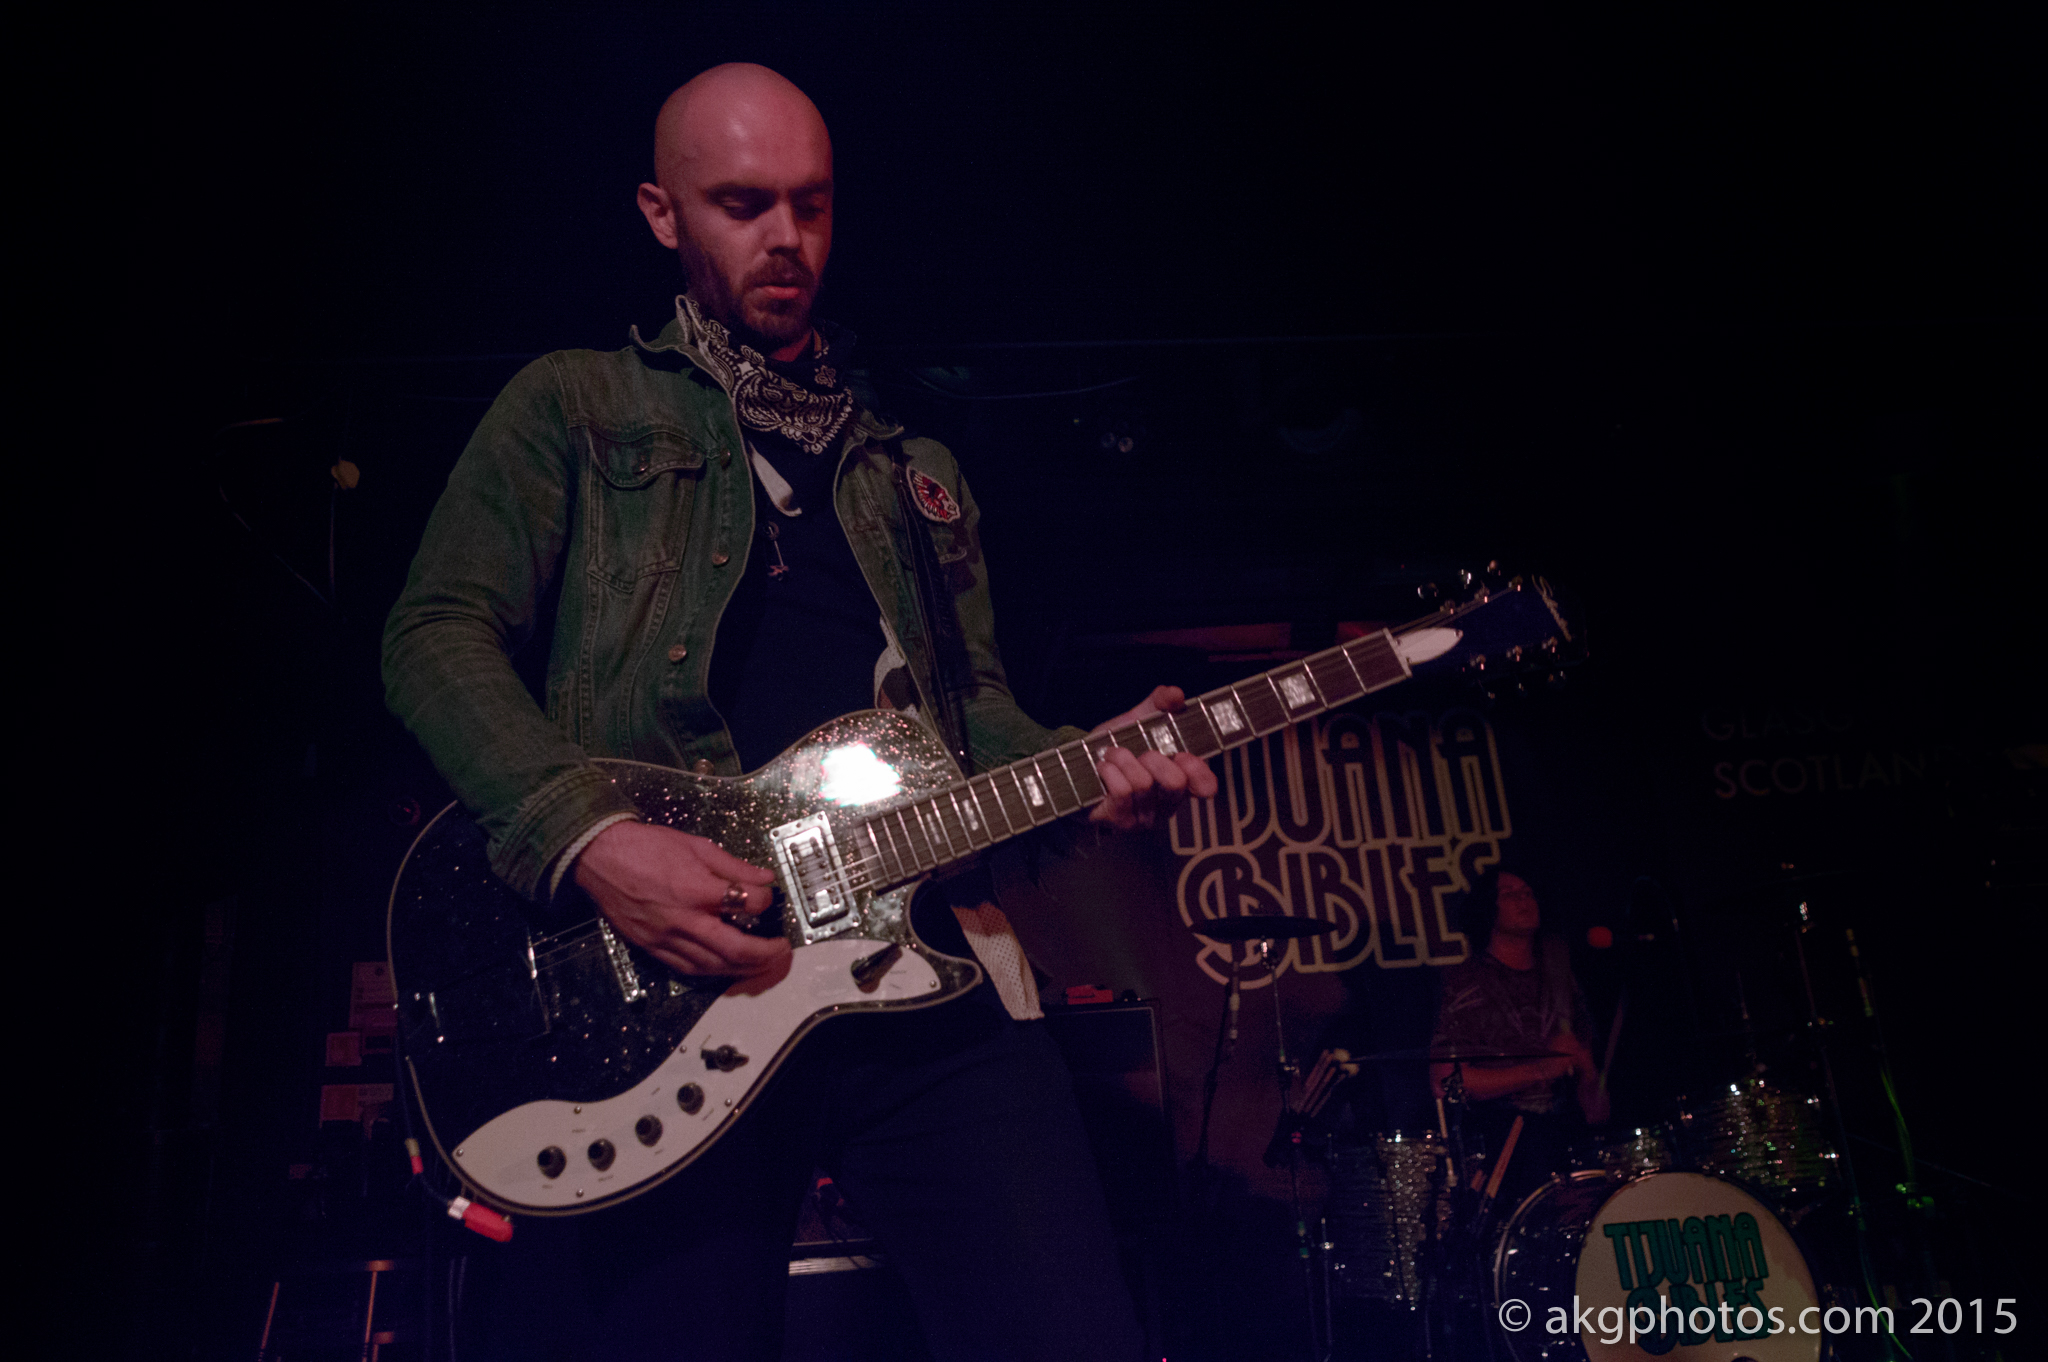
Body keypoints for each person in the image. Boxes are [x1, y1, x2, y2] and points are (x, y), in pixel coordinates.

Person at [382, 63, 1216, 1361]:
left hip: (925, 966)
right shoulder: (578, 406)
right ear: (662, 213)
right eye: (743, 204)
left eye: (811, 205)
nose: (787, 237)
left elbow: (970, 716)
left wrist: (1081, 767)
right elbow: (433, 633)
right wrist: (591, 838)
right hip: (674, 990)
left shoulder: (913, 469)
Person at [1428, 868, 1609, 1205]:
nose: (1524, 899)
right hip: (1505, 1144)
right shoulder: (1467, 982)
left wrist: (1588, 1076)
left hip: (1570, 1139)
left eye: (1528, 892)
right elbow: (1445, 1081)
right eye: (1510, 894)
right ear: (1488, 909)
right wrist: (1540, 1070)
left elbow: (1595, 1100)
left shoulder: (1559, 974)